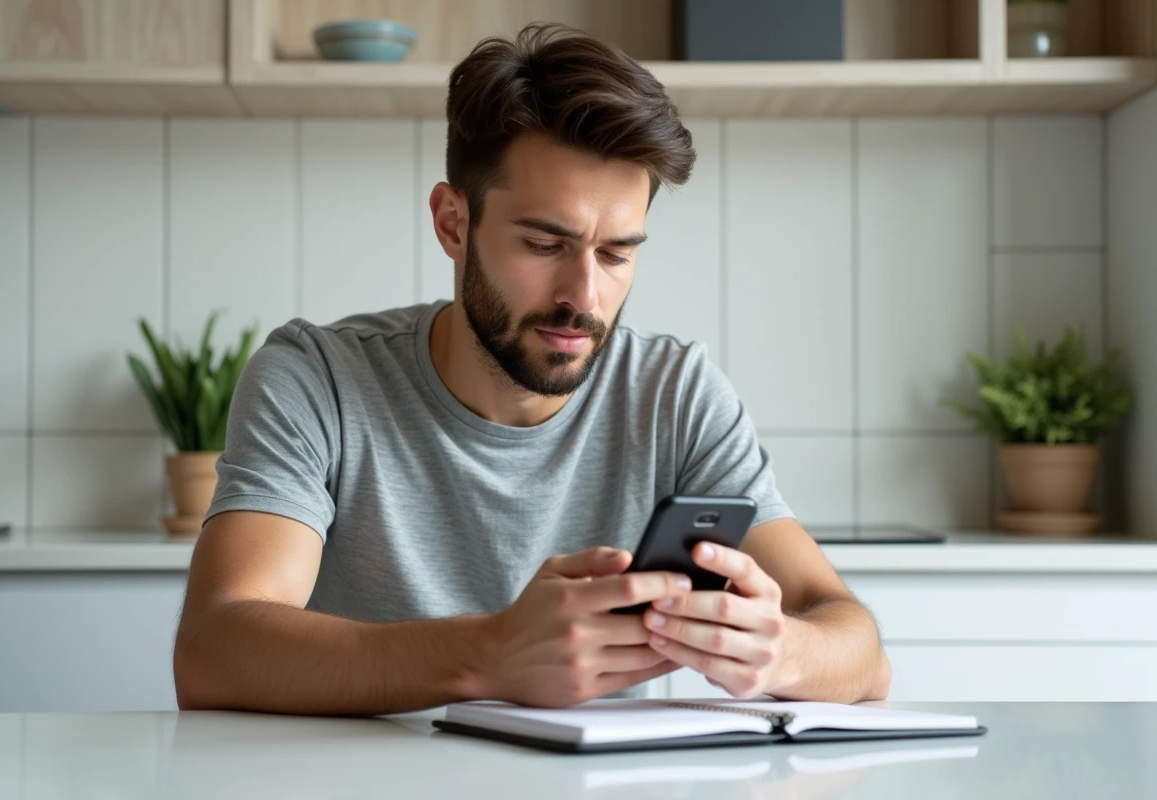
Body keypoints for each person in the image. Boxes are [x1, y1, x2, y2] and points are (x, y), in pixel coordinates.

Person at [173, 23, 891, 716]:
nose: (584, 296)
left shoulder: (673, 394)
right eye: (546, 243)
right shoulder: (317, 379)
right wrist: (489, 653)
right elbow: (214, 649)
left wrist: (783, 653)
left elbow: (862, 654)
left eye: (616, 254)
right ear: (454, 223)